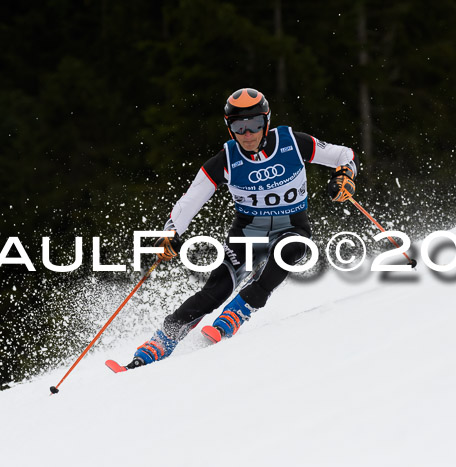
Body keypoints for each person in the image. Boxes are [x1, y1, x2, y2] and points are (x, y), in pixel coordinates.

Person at [125, 87, 358, 369]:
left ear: (266, 122)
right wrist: (171, 232)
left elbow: (343, 155)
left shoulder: (292, 143)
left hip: (291, 228)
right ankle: (163, 338)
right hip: (248, 234)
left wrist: (345, 176)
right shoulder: (225, 160)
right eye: (239, 127)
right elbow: (191, 198)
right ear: (229, 128)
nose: (247, 134)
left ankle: (241, 309)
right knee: (215, 291)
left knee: (291, 249)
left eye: (255, 125)